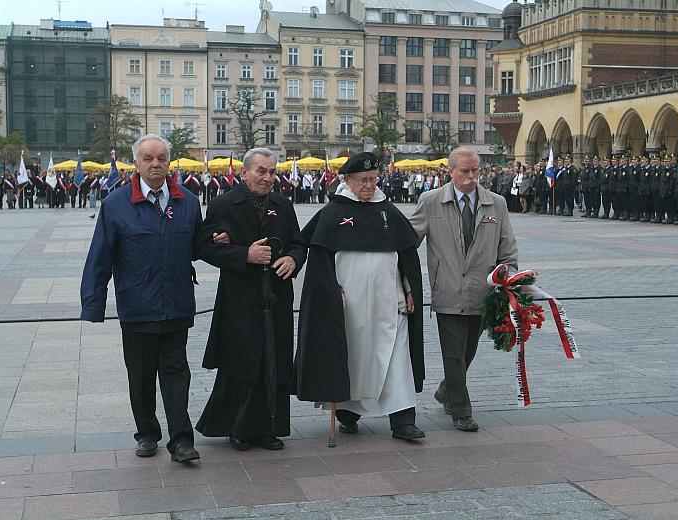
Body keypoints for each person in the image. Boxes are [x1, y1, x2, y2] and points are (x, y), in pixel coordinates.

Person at [80, 134, 208, 463]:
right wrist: (93, 304)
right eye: (148, 158)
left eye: (161, 158)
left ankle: (181, 441)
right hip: (137, 306)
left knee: (177, 373)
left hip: (177, 303)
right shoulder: (116, 204)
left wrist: (225, 244)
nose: (156, 164)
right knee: (140, 376)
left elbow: (197, 246)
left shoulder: (188, 202)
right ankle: (147, 433)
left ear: (169, 162)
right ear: (135, 163)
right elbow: (100, 257)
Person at [295, 152, 426, 441]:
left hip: (389, 304)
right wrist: (331, 291)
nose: (368, 185)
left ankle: (403, 420)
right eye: (362, 180)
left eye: (373, 179)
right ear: (348, 181)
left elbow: (407, 256)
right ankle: (347, 413)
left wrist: (409, 289)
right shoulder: (332, 214)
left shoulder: (387, 211)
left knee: (396, 358)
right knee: (350, 356)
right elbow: (319, 261)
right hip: (348, 306)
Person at [195, 147, 307, 451]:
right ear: (244, 173)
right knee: (243, 362)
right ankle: (237, 427)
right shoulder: (223, 204)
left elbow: (298, 243)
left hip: (277, 296)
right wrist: (244, 254)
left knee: (274, 362)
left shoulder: (283, 205)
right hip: (240, 298)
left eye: (272, 172)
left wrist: (294, 260)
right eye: (261, 171)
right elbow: (204, 247)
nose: (268, 178)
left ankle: (268, 427)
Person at [409, 147, 518, 432]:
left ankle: (447, 390)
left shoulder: (496, 204)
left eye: (475, 171)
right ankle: (461, 410)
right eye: (465, 172)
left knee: (468, 351)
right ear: (451, 171)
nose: (471, 177)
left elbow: (507, 249)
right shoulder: (431, 201)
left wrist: (511, 278)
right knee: (453, 354)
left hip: (483, 292)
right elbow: (409, 240)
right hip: (447, 290)